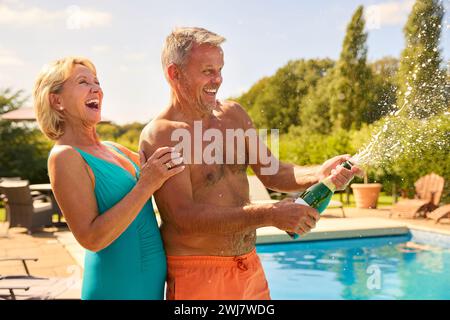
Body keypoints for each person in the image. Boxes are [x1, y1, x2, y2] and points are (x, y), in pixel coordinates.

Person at [139, 27, 362, 300]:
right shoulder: (162, 135)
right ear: (175, 73)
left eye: (220, 70)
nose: (218, 80)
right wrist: (269, 214)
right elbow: (183, 216)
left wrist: (319, 172)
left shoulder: (233, 115)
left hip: (249, 267)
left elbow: (274, 172)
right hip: (199, 273)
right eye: (208, 71)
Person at [33, 57, 184, 299]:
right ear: (56, 100)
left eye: (97, 82)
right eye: (83, 82)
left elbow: (170, 167)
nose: (96, 89)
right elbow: (91, 238)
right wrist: (146, 185)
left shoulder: (114, 148)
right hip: (115, 289)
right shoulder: (64, 156)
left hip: (151, 286)